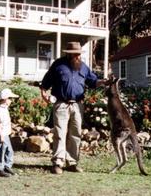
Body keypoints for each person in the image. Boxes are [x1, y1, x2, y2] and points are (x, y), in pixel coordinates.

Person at [40, 41, 108, 174]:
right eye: (75, 54)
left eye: (78, 54)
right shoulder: (58, 65)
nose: (78, 56)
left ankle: (72, 162)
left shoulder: (83, 67)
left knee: (75, 134)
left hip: (78, 105)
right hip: (61, 104)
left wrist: (103, 82)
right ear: (68, 54)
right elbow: (46, 82)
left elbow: (93, 81)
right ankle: (58, 163)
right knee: (60, 133)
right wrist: (43, 94)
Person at [0, 88, 19, 177]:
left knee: (9, 151)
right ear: (5, 100)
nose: (11, 101)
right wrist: (1, 136)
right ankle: (0, 169)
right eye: (10, 99)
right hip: (1, 134)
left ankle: (7, 166)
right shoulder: (0, 110)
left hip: (6, 134)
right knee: (1, 151)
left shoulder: (5, 109)